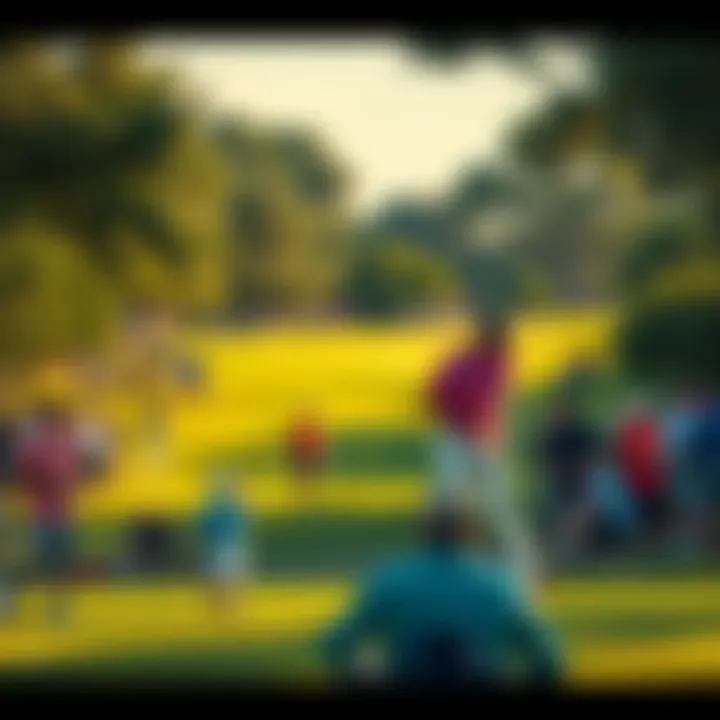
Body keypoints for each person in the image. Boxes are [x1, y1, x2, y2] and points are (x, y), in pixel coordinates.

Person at [321, 504, 563, 687]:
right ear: (471, 534)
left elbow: (336, 645)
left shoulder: (392, 579)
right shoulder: (498, 584)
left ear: (422, 532)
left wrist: (364, 671)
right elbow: (547, 655)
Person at [427, 315, 538, 594]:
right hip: (457, 438)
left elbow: (489, 404)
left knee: (499, 507)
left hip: (482, 442)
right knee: (449, 507)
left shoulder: (499, 365)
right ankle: (446, 572)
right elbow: (436, 395)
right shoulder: (463, 362)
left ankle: (525, 572)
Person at [14, 399, 89, 625]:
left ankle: (58, 608)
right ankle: (10, 599)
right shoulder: (35, 449)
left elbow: (75, 477)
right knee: (35, 563)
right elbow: (23, 476)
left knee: (60, 565)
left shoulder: (66, 447)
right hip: (41, 514)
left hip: (62, 515)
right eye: (54, 422)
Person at [537, 399, 599, 570]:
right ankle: (563, 554)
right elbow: (546, 463)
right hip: (560, 484)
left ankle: (572, 553)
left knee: (578, 516)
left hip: (578, 483)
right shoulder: (552, 437)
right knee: (564, 519)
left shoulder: (578, 434)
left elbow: (589, 458)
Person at [613, 397, 669, 550]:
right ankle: (649, 542)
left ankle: (657, 542)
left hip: (653, 480)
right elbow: (620, 457)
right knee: (644, 513)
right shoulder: (627, 432)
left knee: (656, 513)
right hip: (636, 482)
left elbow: (660, 454)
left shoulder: (650, 430)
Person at [198, 469, 251, 615]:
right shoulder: (221, 509)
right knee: (222, 579)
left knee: (226, 579)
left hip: (227, 547)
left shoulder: (226, 509)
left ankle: (225, 608)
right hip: (223, 548)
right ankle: (222, 608)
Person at [686, 391, 720, 554]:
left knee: (708, 507)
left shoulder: (708, 418)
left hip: (709, 466)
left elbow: (698, 444)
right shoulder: (710, 416)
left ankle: (709, 543)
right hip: (710, 466)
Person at [287, 411, 327, 489]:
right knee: (304, 470)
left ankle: (309, 484)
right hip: (304, 456)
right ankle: (306, 484)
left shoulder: (309, 434)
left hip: (308, 456)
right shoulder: (302, 434)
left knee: (308, 470)